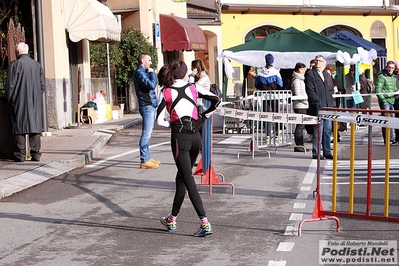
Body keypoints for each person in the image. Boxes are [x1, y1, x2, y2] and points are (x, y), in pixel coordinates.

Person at [156, 60, 220, 237]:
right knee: (182, 178)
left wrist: (173, 124)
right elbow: (216, 100)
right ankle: (172, 219)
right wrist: (203, 117)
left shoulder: (165, 91)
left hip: (180, 138)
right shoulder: (193, 87)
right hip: (195, 138)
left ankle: (205, 223)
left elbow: (159, 120)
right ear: (184, 73)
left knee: (188, 180)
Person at [6, 42, 45, 162]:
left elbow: (10, 86)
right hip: (34, 101)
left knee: (20, 127)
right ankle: (35, 154)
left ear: (17, 52)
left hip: (19, 101)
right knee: (34, 127)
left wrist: (11, 99)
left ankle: (20, 155)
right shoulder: (37, 65)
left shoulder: (15, 65)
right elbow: (42, 86)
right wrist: (36, 96)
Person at [133, 53, 161, 169]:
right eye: (148, 60)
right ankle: (144, 159)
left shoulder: (144, 73)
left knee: (148, 133)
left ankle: (147, 157)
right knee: (146, 133)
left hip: (150, 105)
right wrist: (153, 73)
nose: (150, 62)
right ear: (142, 61)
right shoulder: (140, 73)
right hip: (147, 106)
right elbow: (151, 85)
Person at [305, 55, 334, 160]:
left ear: (323, 63)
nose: (317, 62)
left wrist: (331, 103)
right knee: (318, 131)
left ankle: (327, 151)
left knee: (327, 130)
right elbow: (310, 91)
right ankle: (316, 152)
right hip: (318, 107)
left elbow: (330, 89)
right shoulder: (310, 74)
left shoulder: (325, 74)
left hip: (328, 106)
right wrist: (317, 103)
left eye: (320, 61)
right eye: (316, 60)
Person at [375, 60, 397, 145]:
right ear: (386, 67)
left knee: (391, 121)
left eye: (392, 68)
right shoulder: (382, 76)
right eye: (389, 67)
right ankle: (387, 140)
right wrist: (383, 100)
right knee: (386, 121)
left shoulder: (393, 77)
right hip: (385, 102)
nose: (390, 69)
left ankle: (390, 139)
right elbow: (377, 90)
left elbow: (394, 89)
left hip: (392, 100)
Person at [290, 62, 309, 152]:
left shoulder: (301, 79)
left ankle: (301, 144)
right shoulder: (297, 80)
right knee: (300, 125)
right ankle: (298, 144)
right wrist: (306, 101)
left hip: (302, 104)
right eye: (302, 69)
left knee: (301, 124)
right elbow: (298, 93)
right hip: (300, 104)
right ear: (298, 69)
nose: (303, 71)